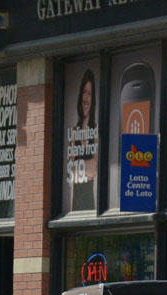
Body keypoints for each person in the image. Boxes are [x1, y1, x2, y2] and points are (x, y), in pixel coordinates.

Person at [67, 69, 97, 212]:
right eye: (84, 92)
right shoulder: (73, 132)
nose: (86, 98)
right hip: (75, 205)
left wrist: (78, 165)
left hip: (89, 204)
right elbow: (70, 173)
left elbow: (93, 170)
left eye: (89, 93)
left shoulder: (95, 131)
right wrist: (86, 166)